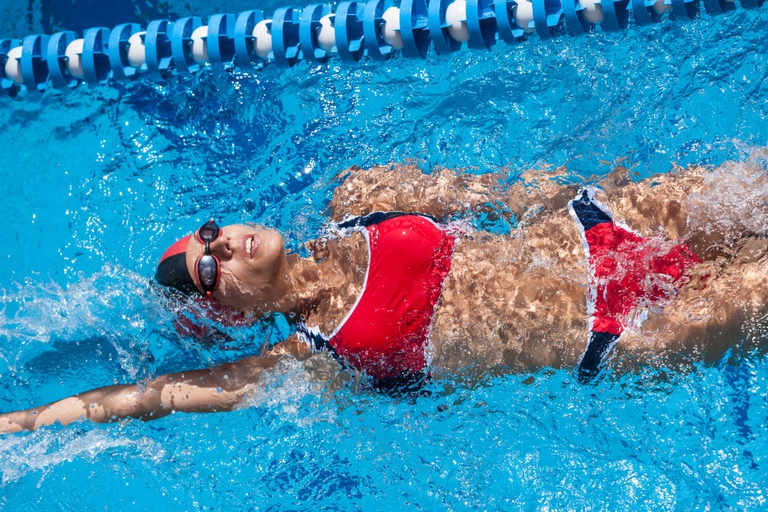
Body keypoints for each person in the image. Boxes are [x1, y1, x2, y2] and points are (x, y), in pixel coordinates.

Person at [1, 161, 767, 433]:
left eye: (210, 233)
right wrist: (20, 422)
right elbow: (152, 397)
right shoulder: (311, 363)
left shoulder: (361, 196)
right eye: (209, 268)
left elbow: (506, 192)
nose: (223, 243)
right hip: (626, 329)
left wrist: (605, 187)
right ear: (229, 310)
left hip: (605, 224)